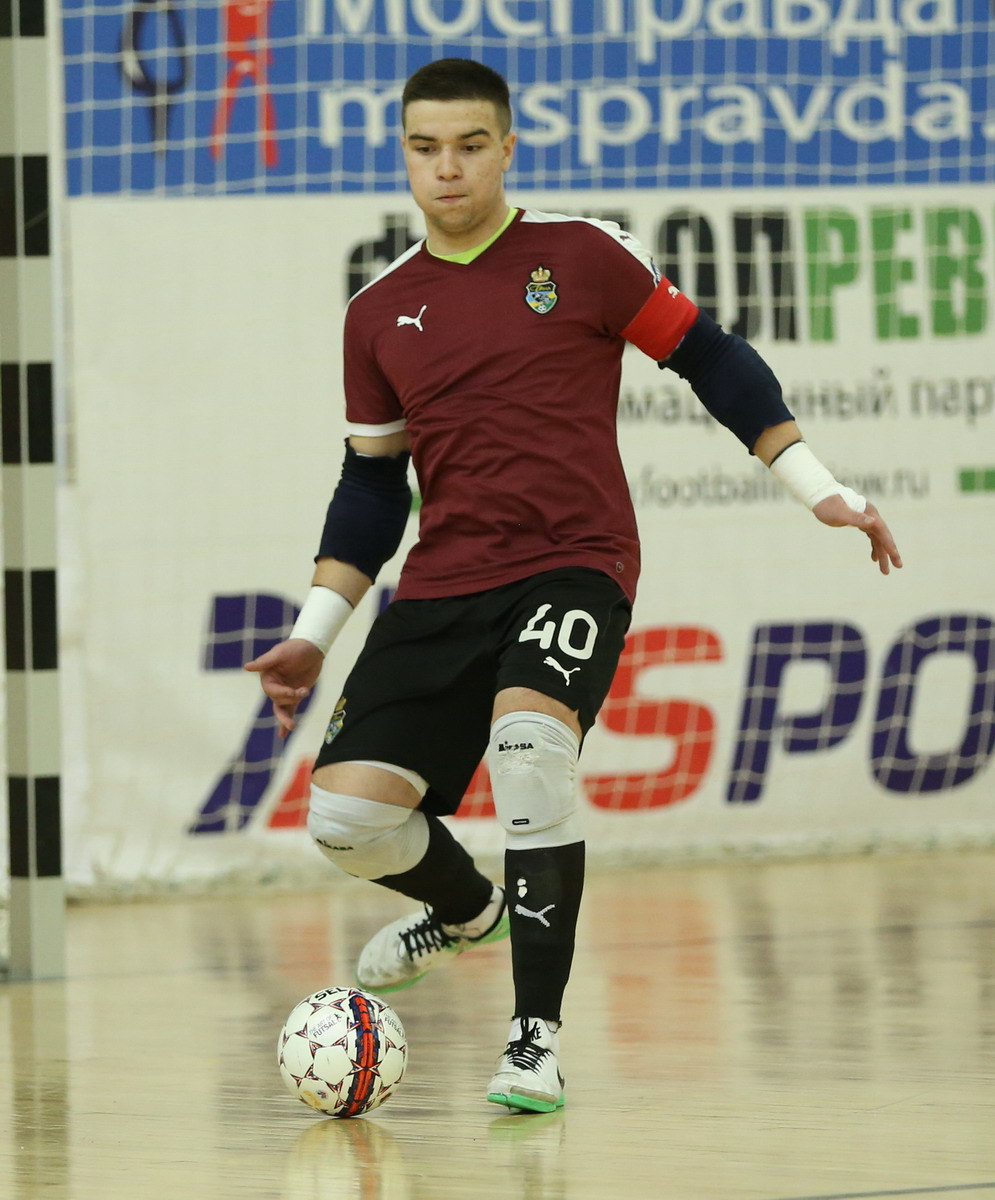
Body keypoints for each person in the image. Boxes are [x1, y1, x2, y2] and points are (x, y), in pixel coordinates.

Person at [246, 57, 902, 1114]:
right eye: (425, 148)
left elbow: (712, 358)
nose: (447, 168)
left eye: (469, 146)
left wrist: (816, 487)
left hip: (573, 561)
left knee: (529, 750)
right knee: (345, 821)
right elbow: (370, 486)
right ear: (403, 155)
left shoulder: (581, 255)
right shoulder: (378, 310)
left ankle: (533, 1041)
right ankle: (469, 912)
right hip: (442, 583)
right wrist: (314, 633)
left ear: (506, 149)